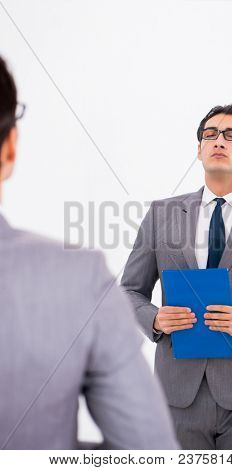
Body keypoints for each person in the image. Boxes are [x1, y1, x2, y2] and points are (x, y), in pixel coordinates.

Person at [0, 56, 179, 450]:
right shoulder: (78, 279)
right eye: (210, 133)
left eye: (231, 135)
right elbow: (148, 454)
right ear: (10, 148)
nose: (218, 141)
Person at [121, 103, 232, 450]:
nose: (219, 140)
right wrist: (155, 318)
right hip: (177, 394)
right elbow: (128, 292)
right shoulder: (162, 214)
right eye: (210, 135)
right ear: (199, 149)